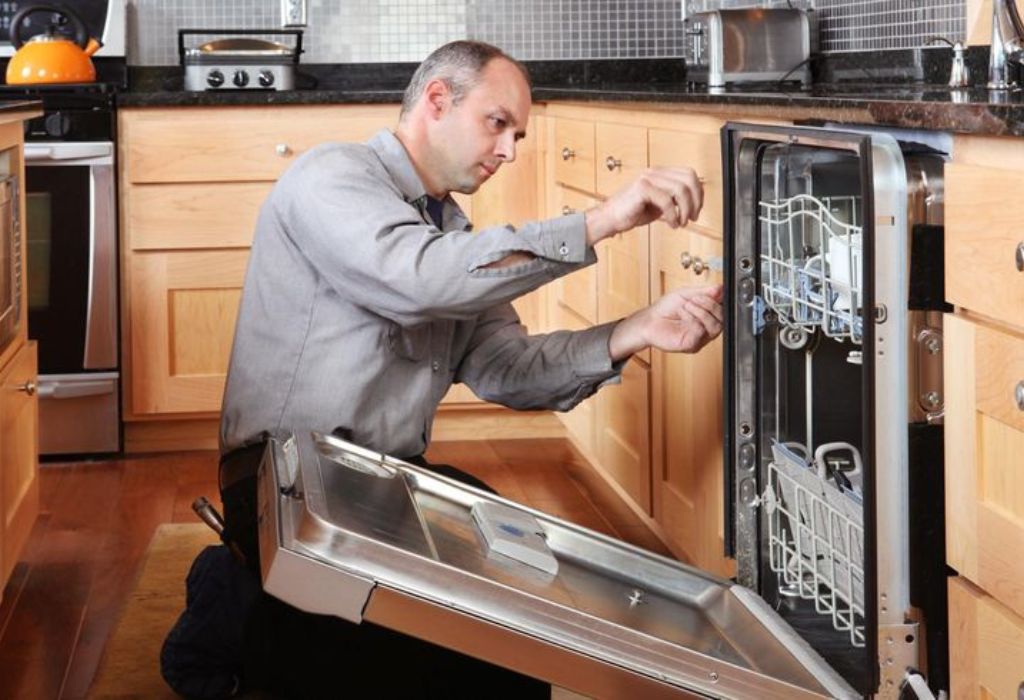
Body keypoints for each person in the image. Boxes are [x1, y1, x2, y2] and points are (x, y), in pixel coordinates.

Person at [216, 39, 722, 698]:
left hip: (381, 481)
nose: (509, 150)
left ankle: (260, 611)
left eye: (518, 134)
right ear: (436, 100)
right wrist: (602, 221)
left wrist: (635, 331)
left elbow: (507, 368)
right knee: (460, 669)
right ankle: (229, 610)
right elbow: (419, 280)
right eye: (497, 123)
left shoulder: (453, 238)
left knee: (521, 612)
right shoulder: (332, 177)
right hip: (286, 490)